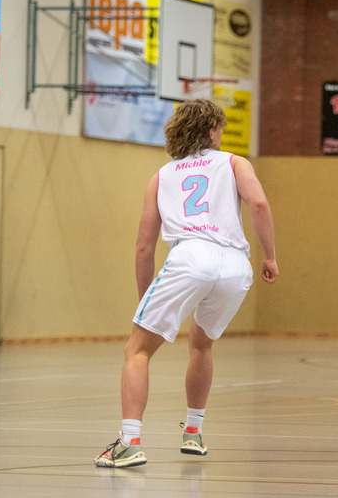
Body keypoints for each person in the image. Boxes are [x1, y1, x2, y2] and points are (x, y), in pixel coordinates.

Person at [94, 98, 278, 468]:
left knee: (137, 349)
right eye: (221, 129)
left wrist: (147, 298)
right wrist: (270, 256)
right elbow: (258, 205)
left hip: (191, 257)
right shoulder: (234, 162)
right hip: (234, 264)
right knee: (202, 344)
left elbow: (145, 246)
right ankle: (193, 434)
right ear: (212, 131)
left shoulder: (162, 176)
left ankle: (129, 443)